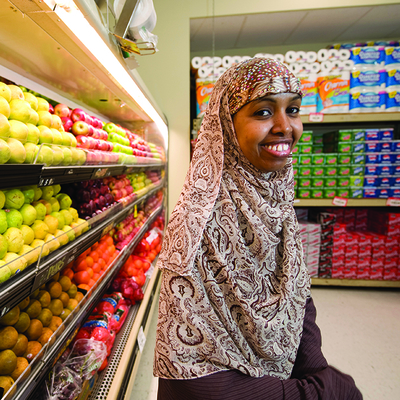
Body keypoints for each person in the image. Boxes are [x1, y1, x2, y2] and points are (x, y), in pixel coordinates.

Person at [153, 57, 362, 400]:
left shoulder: (274, 196)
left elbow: (295, 293)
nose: (284, 126)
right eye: (263, 112)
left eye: (293, 110)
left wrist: (316, 368)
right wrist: (316, 392)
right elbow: (190, 376)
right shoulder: (197, 222)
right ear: (227, 126)